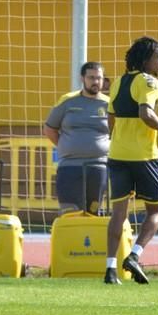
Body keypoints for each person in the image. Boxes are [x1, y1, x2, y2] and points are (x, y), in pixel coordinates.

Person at [104, 36, 158, 285]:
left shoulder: (118, 81)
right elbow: (145, 113)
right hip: (143, 156)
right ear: (146, 59)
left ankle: (110, 269)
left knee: (119, 213)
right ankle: (135, 256)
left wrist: (116, 139)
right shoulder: (149, 81)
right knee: (156, 210)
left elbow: (111, 118)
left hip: (117, 155)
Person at [44, 61, 110, 214]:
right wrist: (67, 146)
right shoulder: (67, 101)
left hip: (99, 167)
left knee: (93, 213)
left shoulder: (110, 104)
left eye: (99, 78)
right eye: (91, 77)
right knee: (70, 211)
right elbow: (49, 128)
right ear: (82, 78)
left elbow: (117, 132)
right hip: (69, 166)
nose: (95, 82)